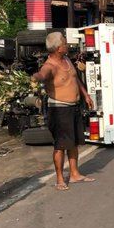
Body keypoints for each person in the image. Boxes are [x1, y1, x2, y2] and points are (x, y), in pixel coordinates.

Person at [32, 32, 95, 191]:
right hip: (59, 110)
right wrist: (36, 77)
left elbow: (75, 79)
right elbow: (42, 74)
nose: (67, 45)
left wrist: (85, 94)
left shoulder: (66, 59)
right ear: (58, 48)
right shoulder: (50, 66)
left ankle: (74, 174)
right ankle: (60, 179)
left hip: (74, 107)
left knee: (73, 143)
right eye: (65, 43)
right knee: (60, 145)